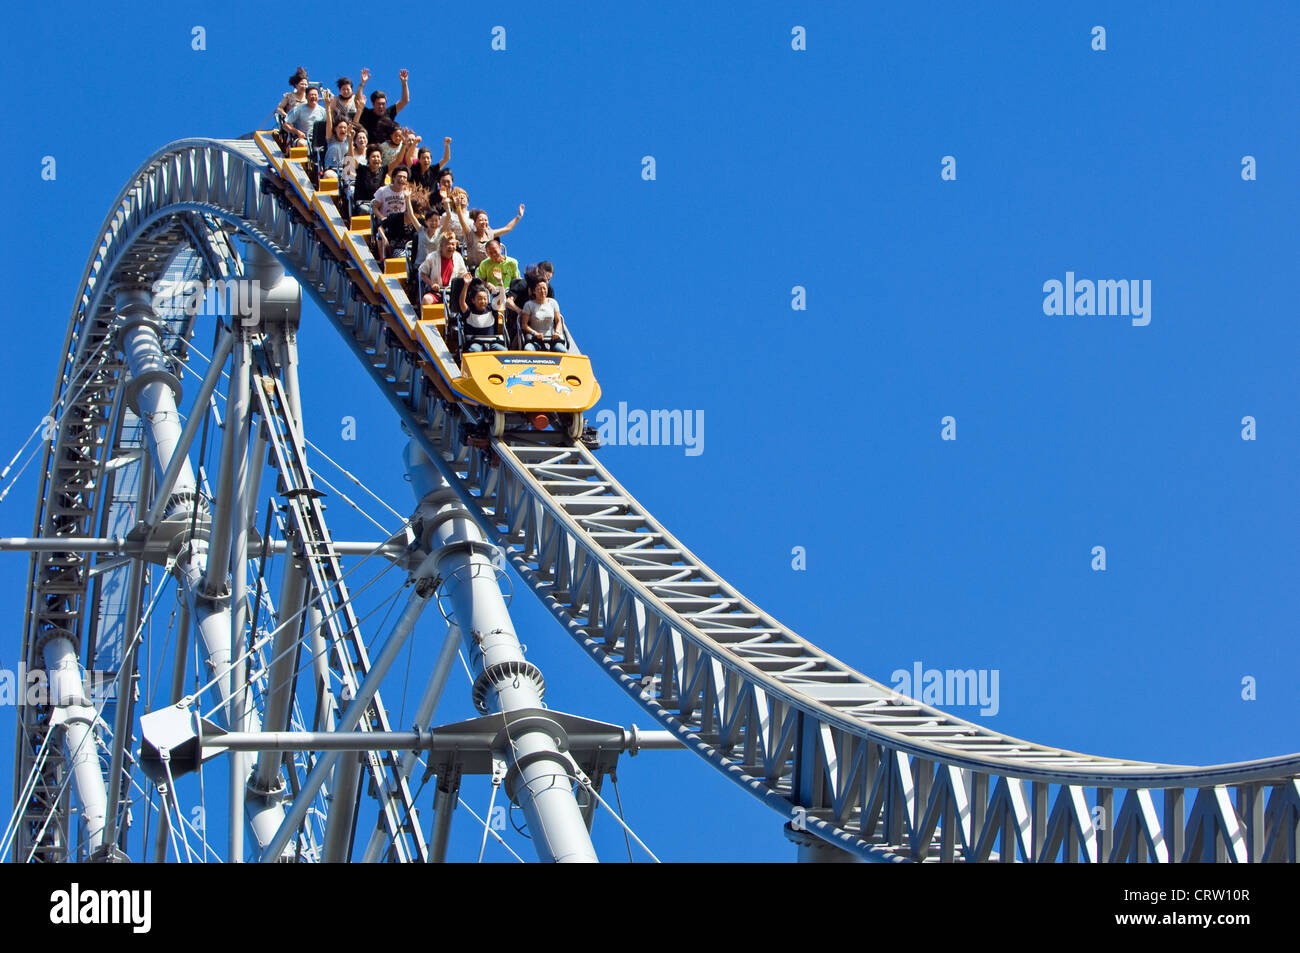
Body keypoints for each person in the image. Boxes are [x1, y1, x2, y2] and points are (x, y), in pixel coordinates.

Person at [371, 166, 419, 259]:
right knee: (381, 233)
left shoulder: (407, 193)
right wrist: (382, 217)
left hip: (401, 222)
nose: (402, 179)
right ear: (393, 177)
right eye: (399, 176)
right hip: (387, 220)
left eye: (404, 177)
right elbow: (374, 207)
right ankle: (382, 259)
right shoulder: (383, 191)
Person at [458, 204, 524, 268]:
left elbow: (507, 228)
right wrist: (458, 207)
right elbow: (462, 222)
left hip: (489, 268)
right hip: (474, 270)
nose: (484, 222)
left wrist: (519, 216)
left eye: (486, 220)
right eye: (481, 220)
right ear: (475, 223)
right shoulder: (471, 234)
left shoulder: (490, 234)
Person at [358, 71, 411, 142]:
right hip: (371, 149)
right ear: (373, 104)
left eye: (383, 104)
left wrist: (404, 83)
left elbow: (405, 101)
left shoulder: (389, 112)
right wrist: (362, 83)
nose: (381, 106)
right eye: (378, 104)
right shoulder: (367, 113)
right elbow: (357, 101)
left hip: (388, 148)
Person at [418, 232, 469, 304]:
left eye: (453, 244)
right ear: (441, 245)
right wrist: (432, 284)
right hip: (436, 292)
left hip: (452, 293)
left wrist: (467, 278)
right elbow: (422, 273)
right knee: (426, 299)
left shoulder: (458, 257)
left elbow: (463, 274)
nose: (451, 247)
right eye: (448, 244)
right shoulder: (432, 257)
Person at [457, 281, 507, 352]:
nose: (483, 301)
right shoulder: (469, 312)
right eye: (480, 298)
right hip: (475, 344)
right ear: (473, 300)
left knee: (504, 351)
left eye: (485, 298)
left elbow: (502, 298)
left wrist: (499, 281)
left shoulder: (491, 309)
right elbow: (462, 302)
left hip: (492, 343)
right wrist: (466, 285)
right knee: (474, 350)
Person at [520, 279, 566, 352]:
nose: (542, 291)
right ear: (534, 291)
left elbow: (558, 321)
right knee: (528, 349)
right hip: (535, 339)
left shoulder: (553, 303)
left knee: (562, 351)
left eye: (544, 288)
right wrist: (535, 333)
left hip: (552, 339)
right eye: (539, 289)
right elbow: (524, 325)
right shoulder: (529, 305)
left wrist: (557, 332)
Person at [352, 145, 386, 216]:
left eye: (378, 157)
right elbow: (351, 158)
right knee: (366, 211)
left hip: (378, 203)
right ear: (368, 159)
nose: (376, 159)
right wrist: (350, 141)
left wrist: (404, 145)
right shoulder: (362, 169)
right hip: (363, 203)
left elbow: (398, 161)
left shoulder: (383, 171)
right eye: (373, 157)